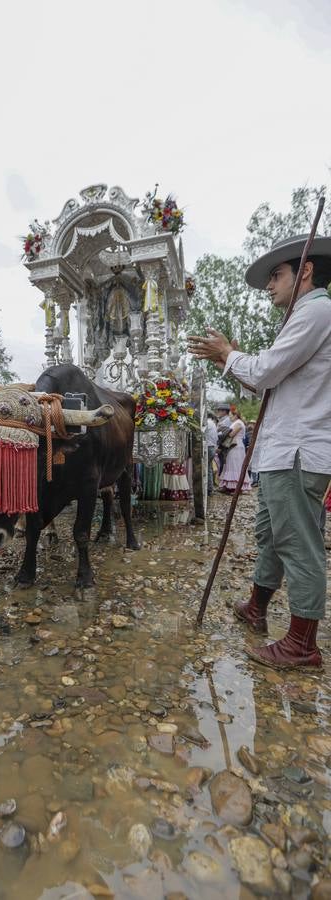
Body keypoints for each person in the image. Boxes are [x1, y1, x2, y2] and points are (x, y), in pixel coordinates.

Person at [188, 232, 331, 670]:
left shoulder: (317, 310)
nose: (270, 285)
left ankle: (302, 644)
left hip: (297, 452)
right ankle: (256, 606)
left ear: (304, 271)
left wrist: (230, 353)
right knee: (270, 536)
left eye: (276, 275)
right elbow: (267, 379)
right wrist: (228, 361)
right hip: (280, 452)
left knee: (298, 543)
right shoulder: (301, 317)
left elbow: (266, 370)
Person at [218, 406, 251, 494]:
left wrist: (224, 431)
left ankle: (237, 487)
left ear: (235, 415)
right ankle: (228, 485)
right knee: (229, 464)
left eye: (231, 415)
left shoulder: (239, 423)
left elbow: (232, 434)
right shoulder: (236, 422)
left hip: (236, 446)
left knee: (235, 465)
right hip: (233, 445)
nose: (230, 417)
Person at [206, 412, 219, 496]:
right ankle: (210, 488)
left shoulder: (207, 423)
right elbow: (216, 437)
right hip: (213, 447)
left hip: (208, 447)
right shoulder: (213, 424)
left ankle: (209, 489)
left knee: (207, 468)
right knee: (209, 468)